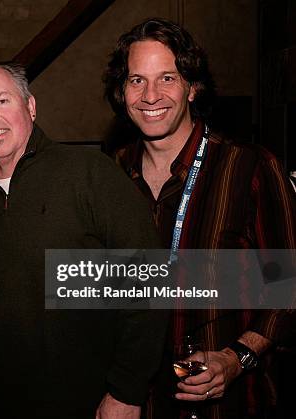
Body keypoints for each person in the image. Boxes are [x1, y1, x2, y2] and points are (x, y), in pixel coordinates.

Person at [104, 17, 296, 418]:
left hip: (229, 405)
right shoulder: (110, 175)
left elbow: (287, 287)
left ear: (192, 88)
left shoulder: (249, 168)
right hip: (134, 402)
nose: (150, 95)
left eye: (167, 78)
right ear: (122, 93)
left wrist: (237, 358)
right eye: (136, 80)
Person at [0, 62, 169, 419]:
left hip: (89, 404)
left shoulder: (89, 173)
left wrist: (126, 391)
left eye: (1, 101)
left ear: (31, 107)